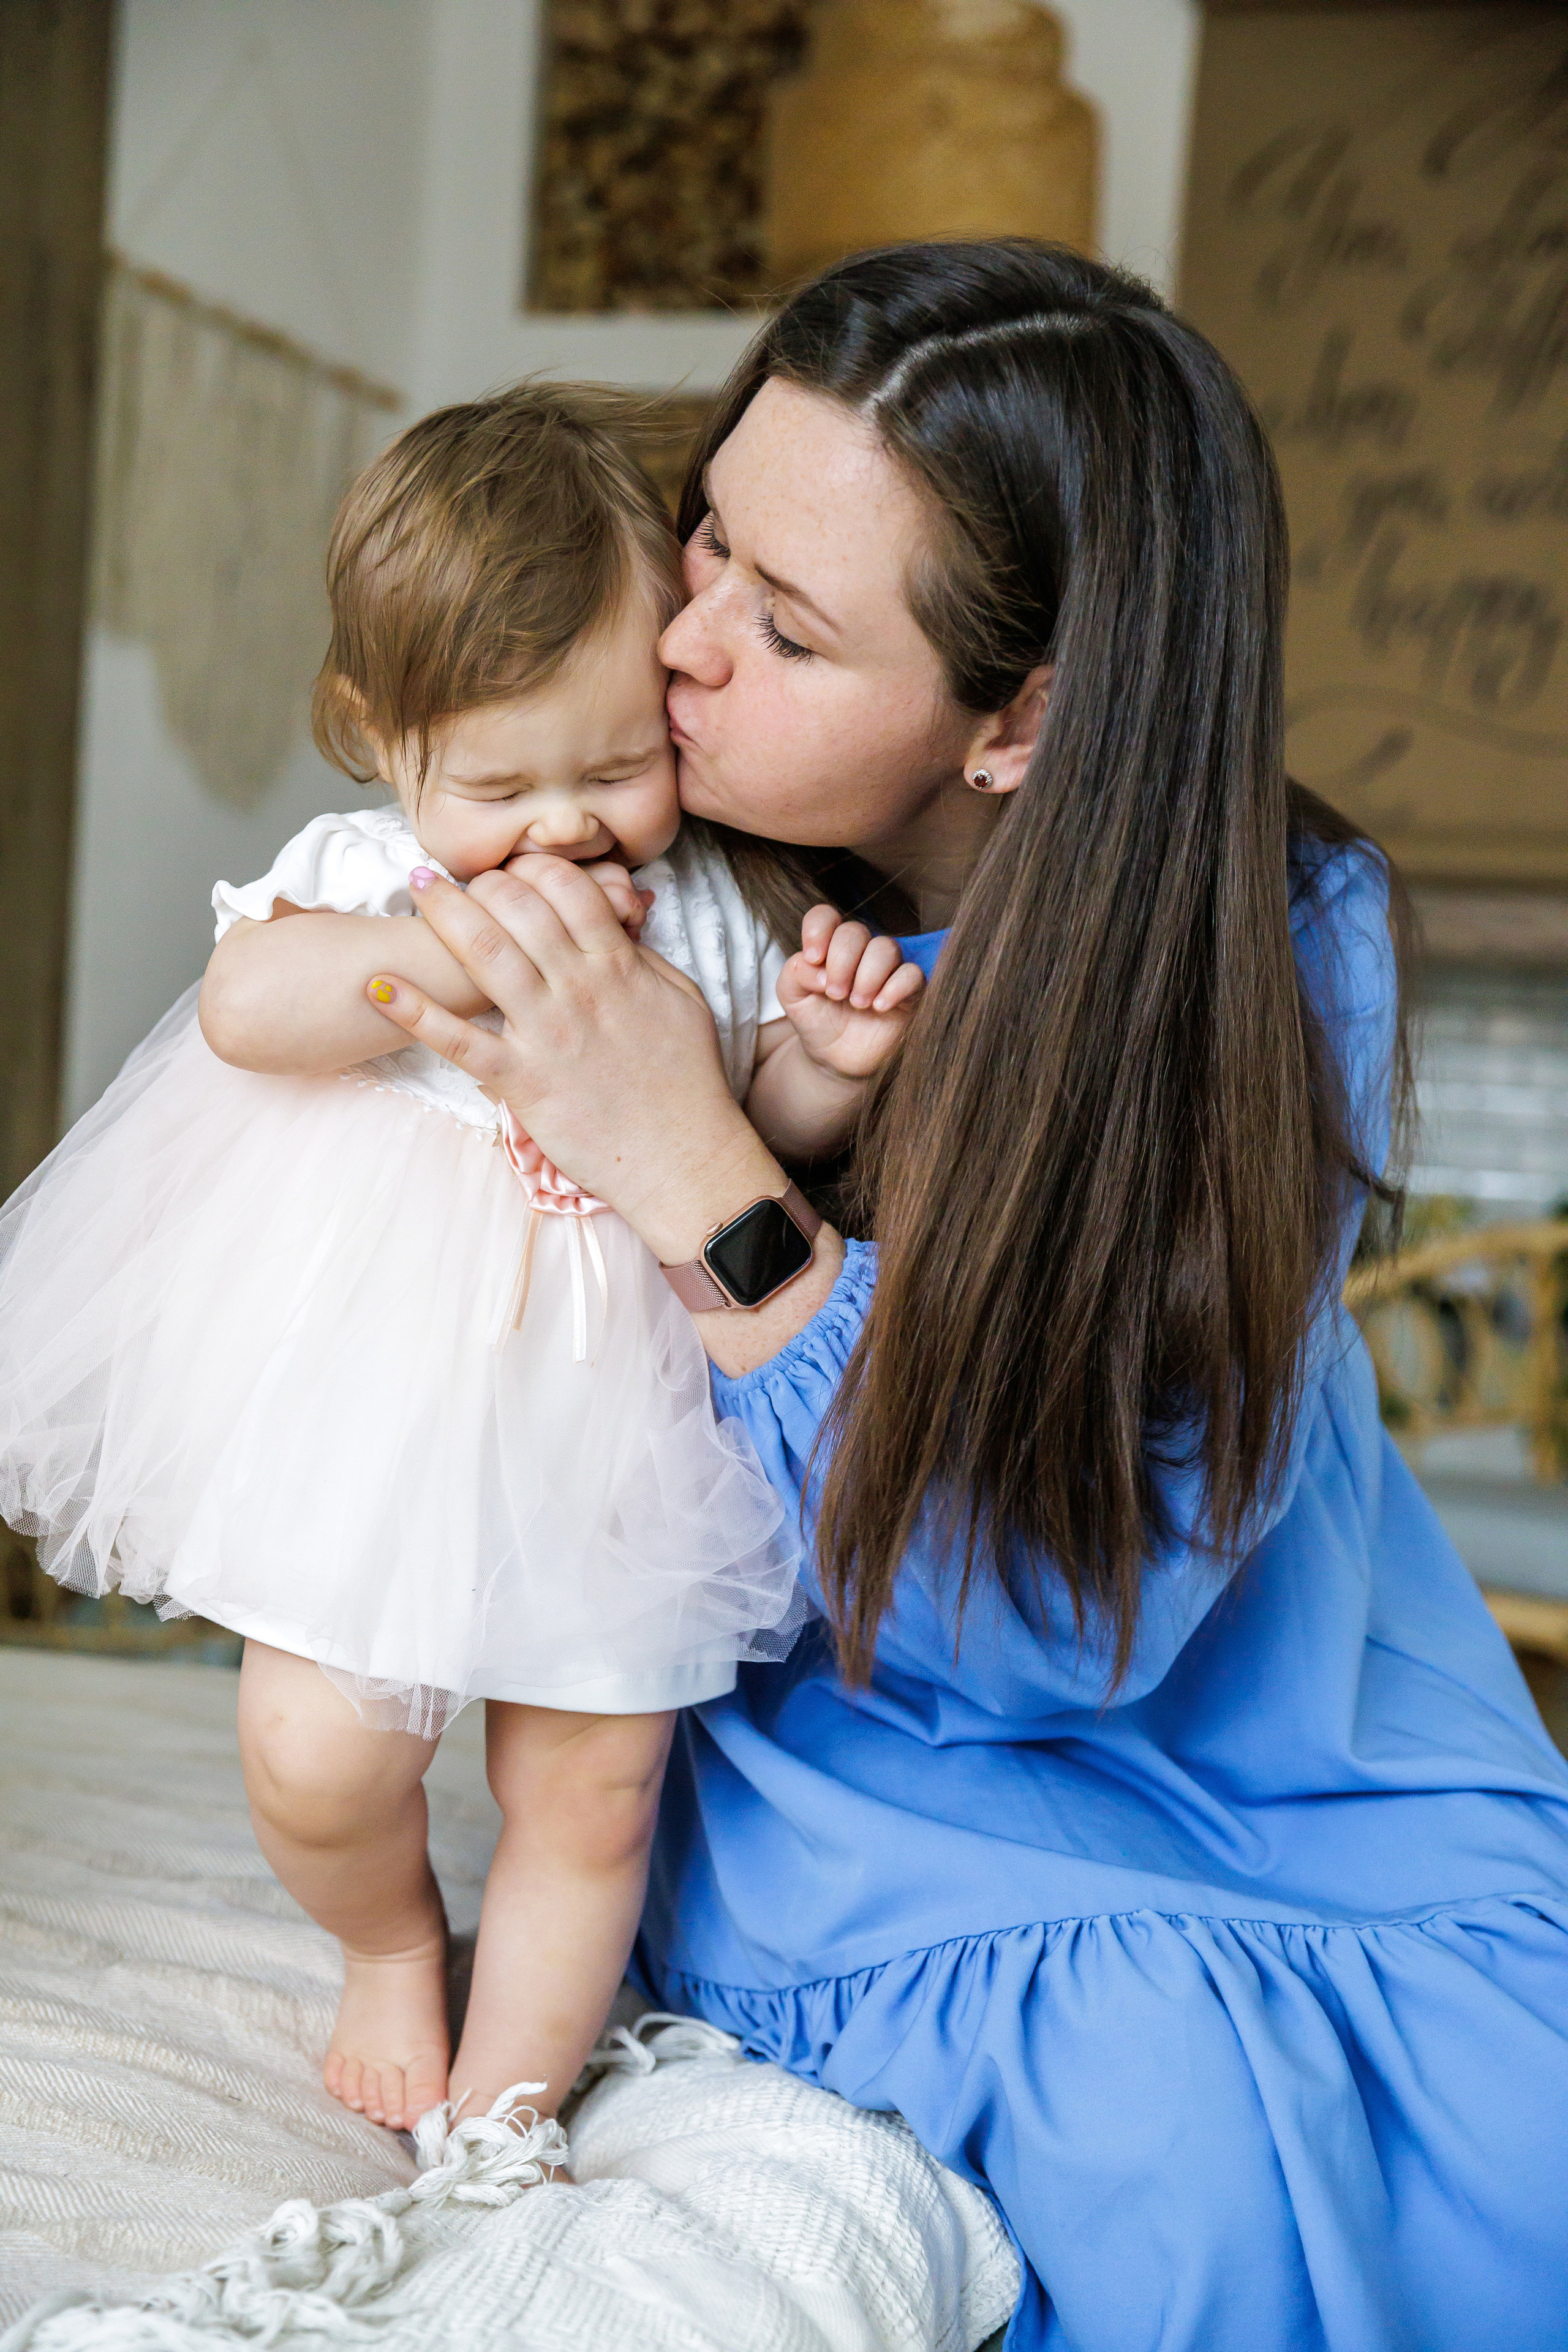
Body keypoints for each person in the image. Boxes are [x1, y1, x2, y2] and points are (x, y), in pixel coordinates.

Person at [203, 247, 1568, 2348]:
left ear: (1018, 720)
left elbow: (1069, 1620)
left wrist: (713, 1182)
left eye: (790, 623)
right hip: (867, 1755)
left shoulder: (1279, 935)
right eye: (712, 536)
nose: (677, 641)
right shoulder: (638, 835)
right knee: (1168, 2161)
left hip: (1226, 1686)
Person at [0, 385, 925, 2137]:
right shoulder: (371, 878)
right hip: (383, 1412)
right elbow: (243, 1010)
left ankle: (507, 2110)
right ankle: (385, 1940)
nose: (562, 831)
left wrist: (825, 1058)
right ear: (383, 738)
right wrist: (428, 945)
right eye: (498, 787)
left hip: (625, 1437)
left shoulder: (720, 905)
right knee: (319, 1752)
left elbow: (761, 1140)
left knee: (593, 1782)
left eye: (617, 770)